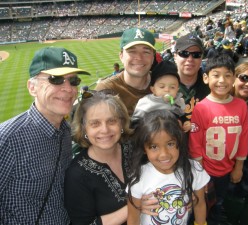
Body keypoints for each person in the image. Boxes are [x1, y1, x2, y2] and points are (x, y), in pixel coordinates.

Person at [0, 47, 90, 224]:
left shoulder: (65, 131)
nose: (68, 89)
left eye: (73, 80)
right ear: (32, 87)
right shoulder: (7, 139)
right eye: (55, 79)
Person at [189, 54, 248, 225]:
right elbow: (195, 143)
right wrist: (199, 173)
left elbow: (243, 138)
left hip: (227, 170)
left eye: (227, 75)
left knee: (218, 204)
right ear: (206, 78)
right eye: (216, 75)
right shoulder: (201, 107)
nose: (222, 80)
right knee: (199, 206)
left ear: (234, 79)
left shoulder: (241, 106)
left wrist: (239, 167)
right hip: (205, 171)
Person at [127, 110, 210, 225]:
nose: (164, 154)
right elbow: (133, 216)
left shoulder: (194, 169)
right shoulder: (138, 176)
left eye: (170, 144)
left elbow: (200, 204)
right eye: (154, 146)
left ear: (179, 141)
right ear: (144, 149)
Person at [64, 90, 133, 225]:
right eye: (95, 123)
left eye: (111, 121)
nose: (105, 130)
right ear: (84, 129)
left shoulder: (134, 150)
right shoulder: (77, 174)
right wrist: (133, 207)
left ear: (122, 123)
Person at [94, 27, 155, 116]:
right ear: (121, 56)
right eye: (132, 51)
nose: (139, 57)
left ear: (153, 57)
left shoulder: (164, 84)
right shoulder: (105, 90)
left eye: (146, 52)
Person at [173, 33, 210, 132]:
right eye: (184, 53)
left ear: (201, 58)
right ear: (175, 56)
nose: (190, 59)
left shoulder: (211, 85)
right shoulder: (161, 86)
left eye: (196, 55)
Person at [131, 60, 185, 125]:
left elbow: (182, 116)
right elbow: (135, 123)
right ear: (153, 89)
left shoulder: (178, 102)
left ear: (177, 90)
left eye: (172, 87)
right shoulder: (146, 103)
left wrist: (185, 122)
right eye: (162, 87)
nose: (167, 90)